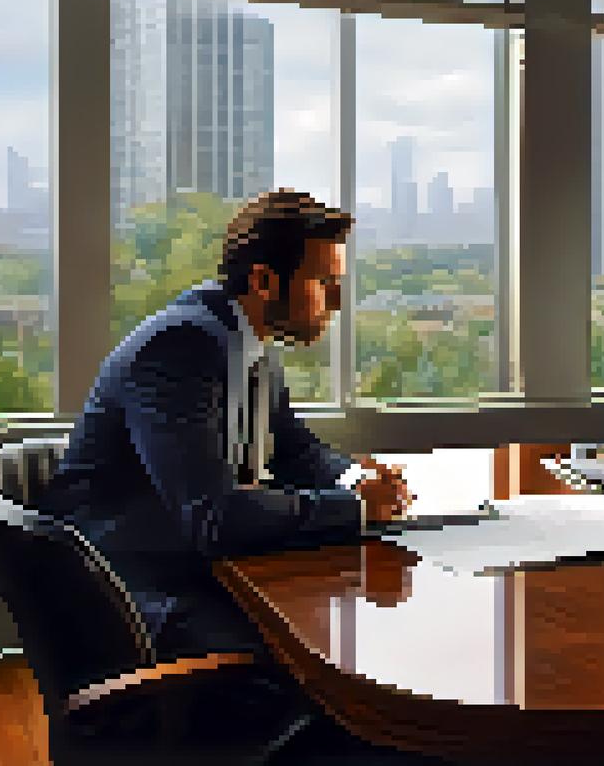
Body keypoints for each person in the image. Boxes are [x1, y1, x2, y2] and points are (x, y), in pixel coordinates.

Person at [40, 189, 437, 763]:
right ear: (263, 281)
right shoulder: (180, 346)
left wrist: (360, 479)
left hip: (194, 571)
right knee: (347, 684)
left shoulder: (247, 344)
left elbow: (298, 451)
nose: (340, 300)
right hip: (147, 599)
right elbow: (212, 517)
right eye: (324, 283)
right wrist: (354, 511)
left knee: (362, 661)